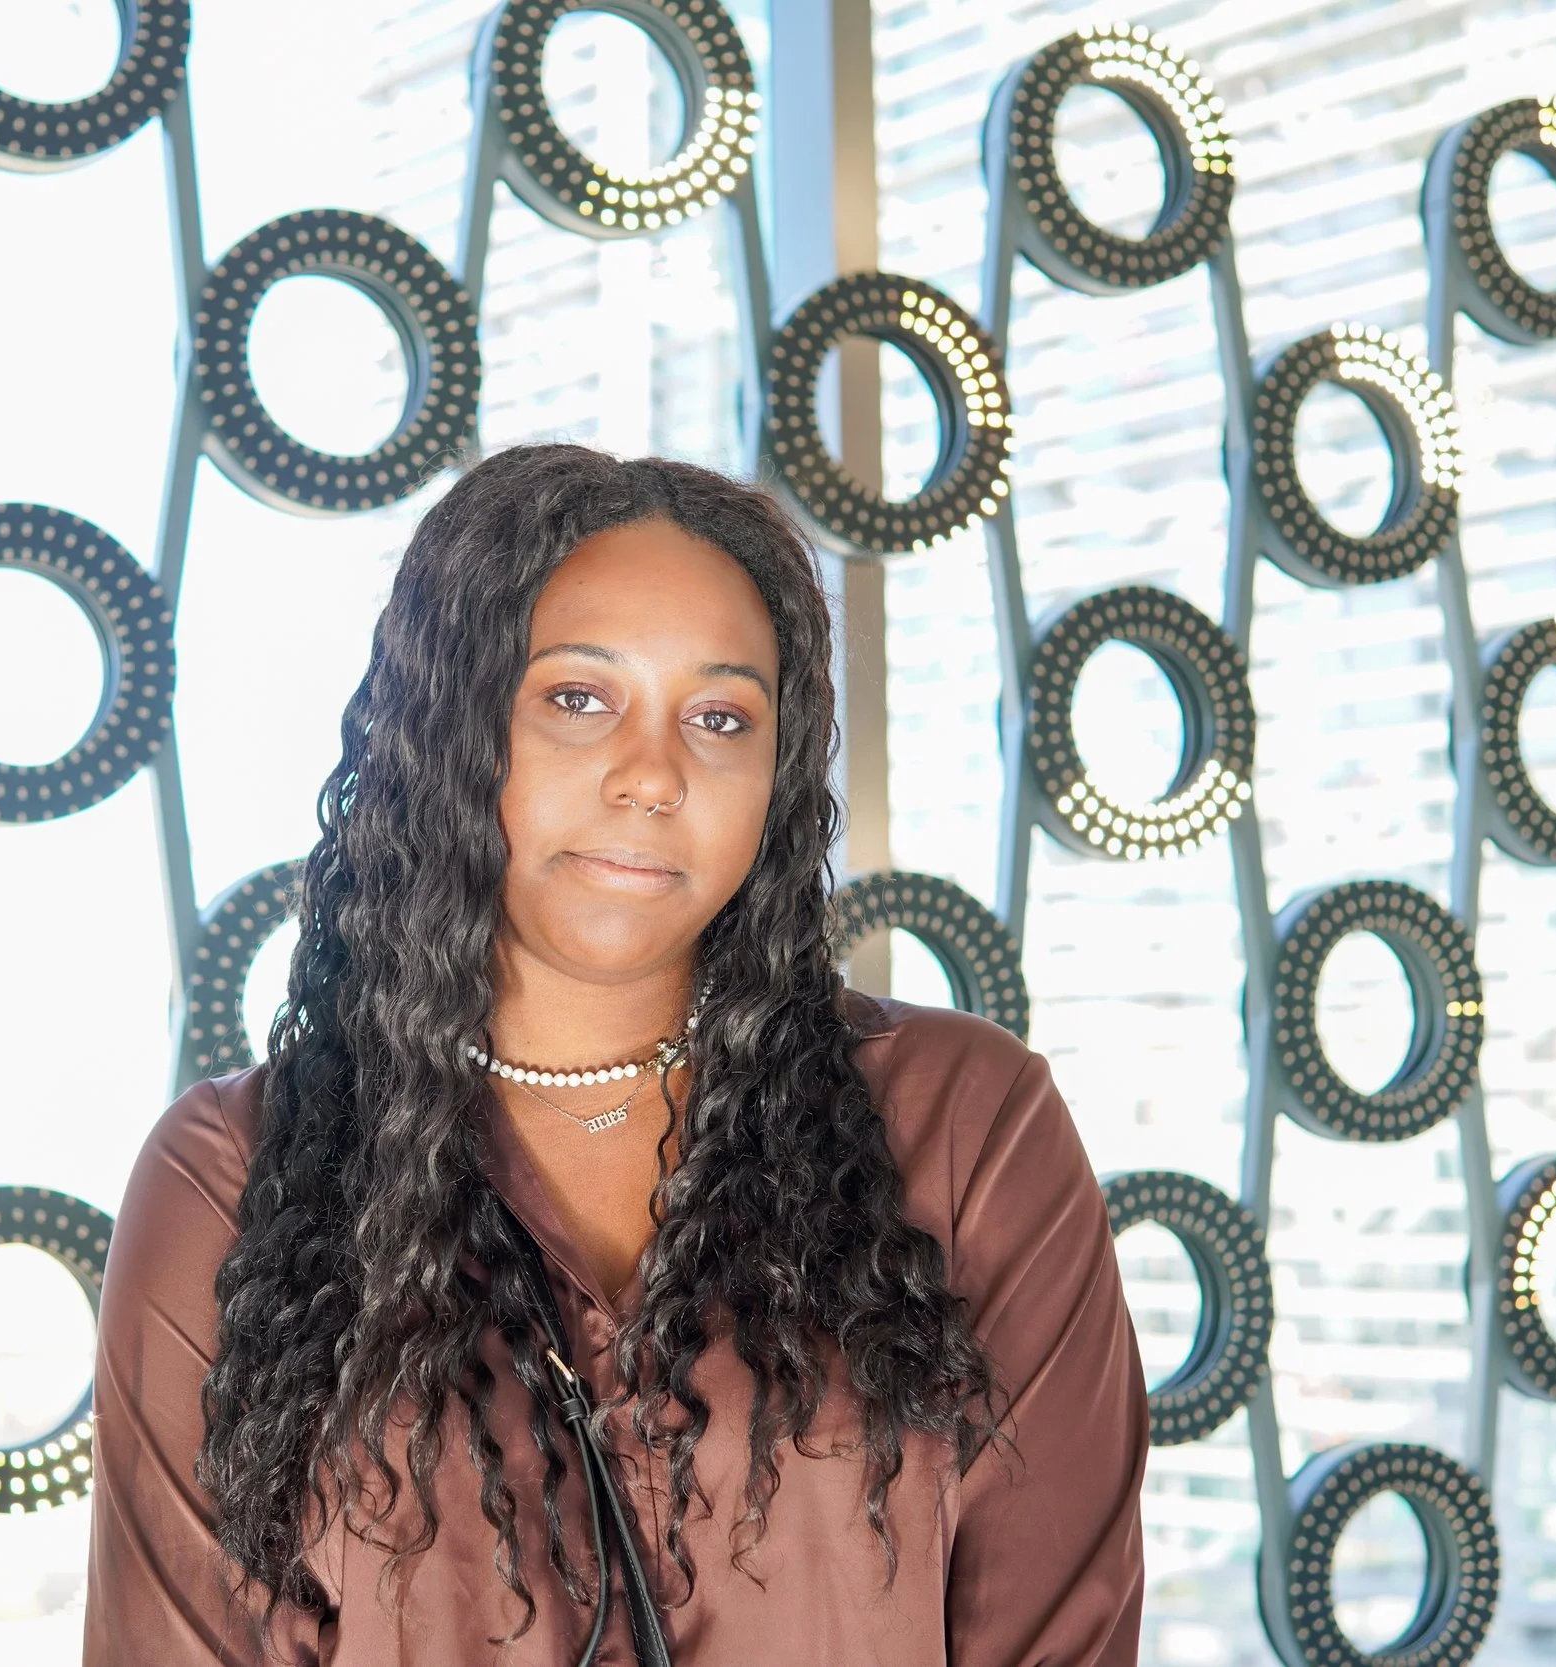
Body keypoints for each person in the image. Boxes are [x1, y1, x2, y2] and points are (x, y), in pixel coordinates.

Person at [83, 445, 1147, 1666]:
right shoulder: (233, 1180)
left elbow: (1063, 1630)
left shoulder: (964, 1124)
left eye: (719, 716)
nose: (651, 774)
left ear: (778, 775)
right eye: (578, 698)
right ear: (449, 726)